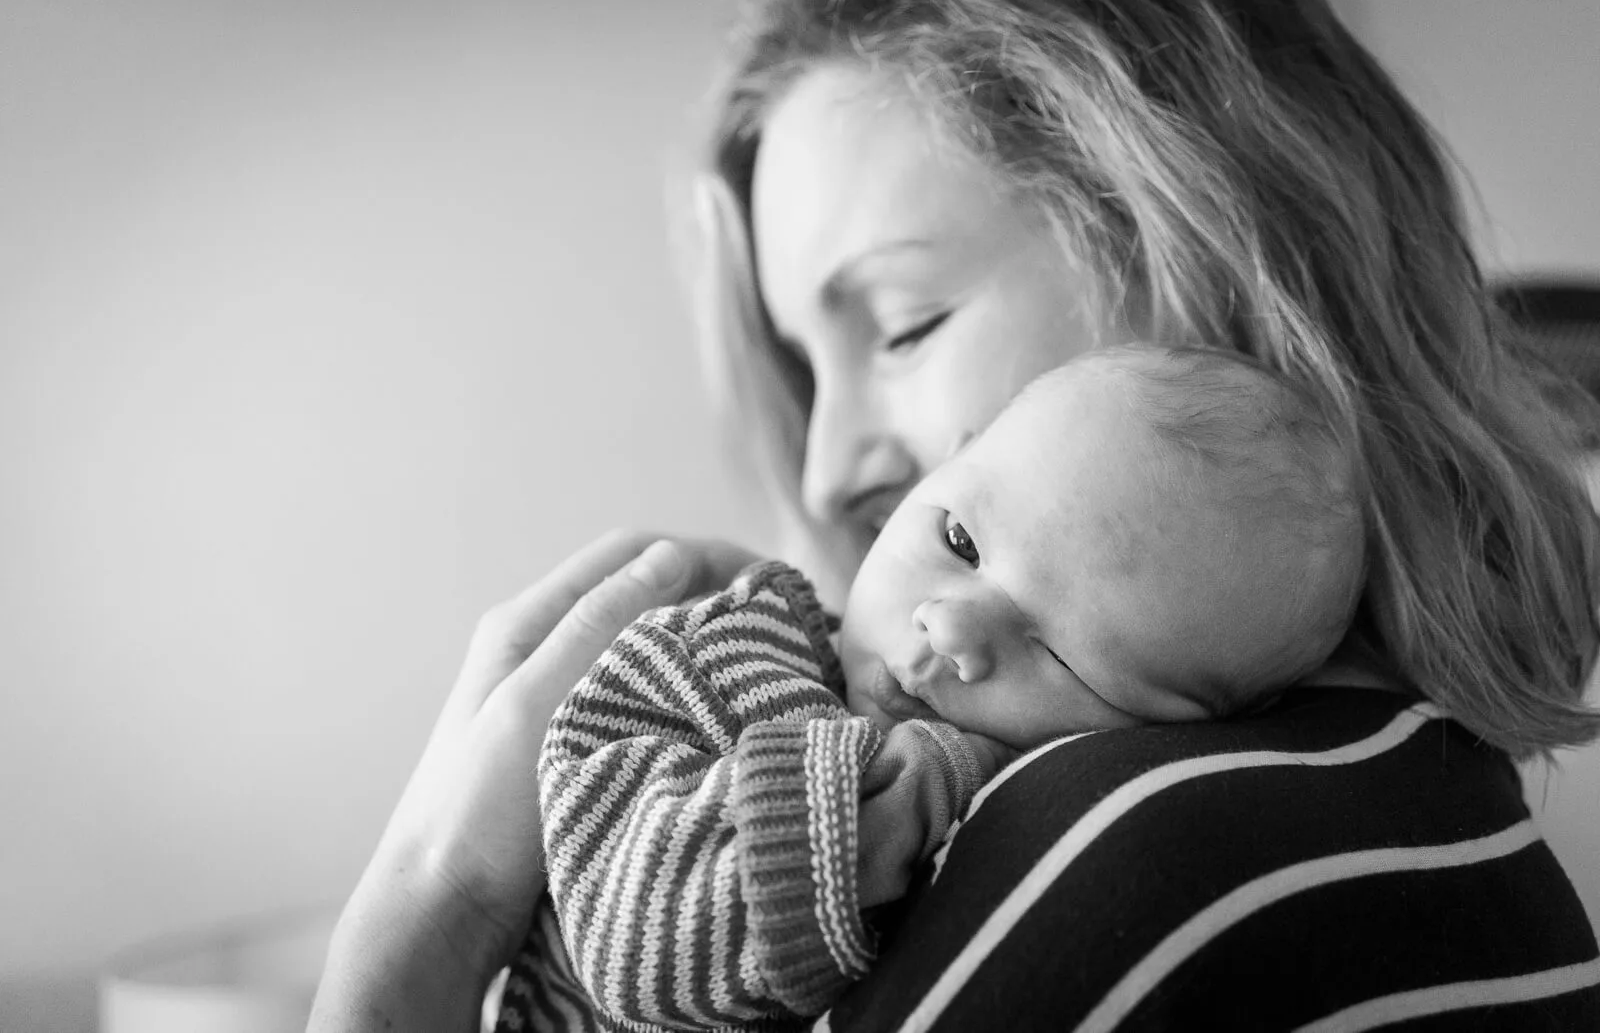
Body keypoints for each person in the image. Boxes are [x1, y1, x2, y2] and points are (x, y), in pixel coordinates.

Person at [309, 0, 1600, 1030]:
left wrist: (434, 910)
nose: (825, 470)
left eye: (906, 321)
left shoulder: (1136, 850)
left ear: (1220, 254)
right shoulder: (1409, 797)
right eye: (804, 367)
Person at [497, 345, 1367, 1032]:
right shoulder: (722, 656)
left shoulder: (1049, 818)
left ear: (1176, 731)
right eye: (958, 538)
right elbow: (631, 941)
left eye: (1064, 658)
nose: (950, 629)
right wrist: (914, 786)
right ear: (936, 473)